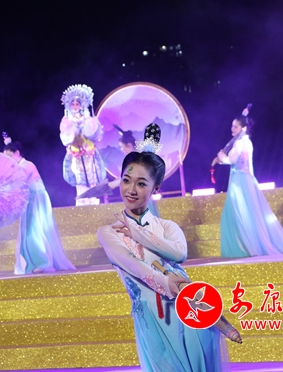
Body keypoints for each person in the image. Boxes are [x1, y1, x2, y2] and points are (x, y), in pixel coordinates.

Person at [97, 124, 231, 372]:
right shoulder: (108, 232)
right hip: (153, 317)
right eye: (126, 180)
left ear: (155, 188)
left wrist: (138, 232)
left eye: (141, 183)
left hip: (189, 310)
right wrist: (166, 282)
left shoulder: (168, 227)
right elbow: (133, 265)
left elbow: (179, 254)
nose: (131, 190)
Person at [212, 107, 283, 258]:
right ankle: (247, 246)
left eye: (235, 126)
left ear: (243, 128)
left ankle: (247, 247)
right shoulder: (247, 142)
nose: (232, 129)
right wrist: (222, 160)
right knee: (247, 213)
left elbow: (232, 160)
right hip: (245, 179)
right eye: (232, 126)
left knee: (240, 213)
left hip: (239, 181)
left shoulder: (239, 143)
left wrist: (221, 157)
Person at [3, 134, 76, 274]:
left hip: (36, 199)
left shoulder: (27, 165)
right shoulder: (19, 167)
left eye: (9, 155)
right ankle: (36, 262)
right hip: (29, 201)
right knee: (28, 233)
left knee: (34, 232)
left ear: (17, 153)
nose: (8, 159)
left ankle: (43, 263)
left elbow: (19, 181)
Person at [59, 84, 106, 206]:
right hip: (76, 155)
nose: (75, 106)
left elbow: (94, 134)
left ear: (81, 105)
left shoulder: (88, 118)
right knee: (79, 180)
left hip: (89, 154)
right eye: (73, 104)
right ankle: (82, 203)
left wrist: (85, 125)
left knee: (92, 179)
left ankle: (93, 202)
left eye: (77, 104)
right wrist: (72, 128)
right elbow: (65, 139)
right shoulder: (66, 120)